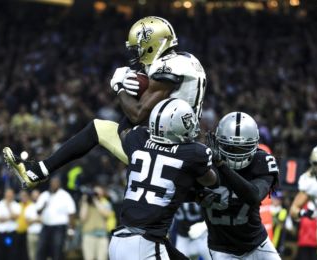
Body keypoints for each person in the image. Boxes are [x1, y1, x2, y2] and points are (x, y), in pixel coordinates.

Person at [3, 16, 207, 189]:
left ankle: (36, 173)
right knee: (98, 128)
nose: (136, 53)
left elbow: (137, 114)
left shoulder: (169, 67)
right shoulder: (186, 60)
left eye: (139, 48)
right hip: (179, 142)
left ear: (152, 43)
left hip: (166, 149)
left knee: (124, 128)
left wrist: (120, 88)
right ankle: (36, 172)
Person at [107, 98, 217, 260]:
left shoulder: (138, 138)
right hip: (146, 244)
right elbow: (212, 181)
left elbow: (123, 130)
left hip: (120, 240)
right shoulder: (192, 153)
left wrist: (127, 92)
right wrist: (218, 162)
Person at [201, 112, 281, 260]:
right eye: (231, 148)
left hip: (257, 244)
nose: (236, 154)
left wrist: (221, 165)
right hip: (223, 249)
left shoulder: (262, 161)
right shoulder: (204, 161)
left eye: (243, 148)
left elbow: (253, 196)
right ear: (219, 142)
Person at [35, 176, 76, 260]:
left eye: (56, 182)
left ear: (59, 184)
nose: (53, 184)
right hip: (46, 226)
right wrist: (44, 206)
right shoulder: (45, 195)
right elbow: (38, 211)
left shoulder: (65, 195)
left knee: (57, 249)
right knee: (41, 248)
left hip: (59, 227)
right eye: (52, 183)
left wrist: (71, 230)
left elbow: (71, 213)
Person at [79, 185, 113, 260]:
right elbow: (82, 218)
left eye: (97, 193)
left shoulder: (105, 203)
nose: (96, 195)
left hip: (102, 236)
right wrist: (85, 201)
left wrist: (96, 200)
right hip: (88, 235)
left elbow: (106, 214)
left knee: (102, 258)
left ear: (102, 194)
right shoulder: (86, 204)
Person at [0, 188, 21, 260]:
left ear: (13, 195)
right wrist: (10, 217)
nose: (9, 196)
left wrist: (9, 207)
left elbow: (15, 217)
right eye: (8, 194)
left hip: (12, 233)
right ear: (5, 195)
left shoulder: (16, 205)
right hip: (1, 233)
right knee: (0, 253)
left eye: (11, 194)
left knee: (13, 253)